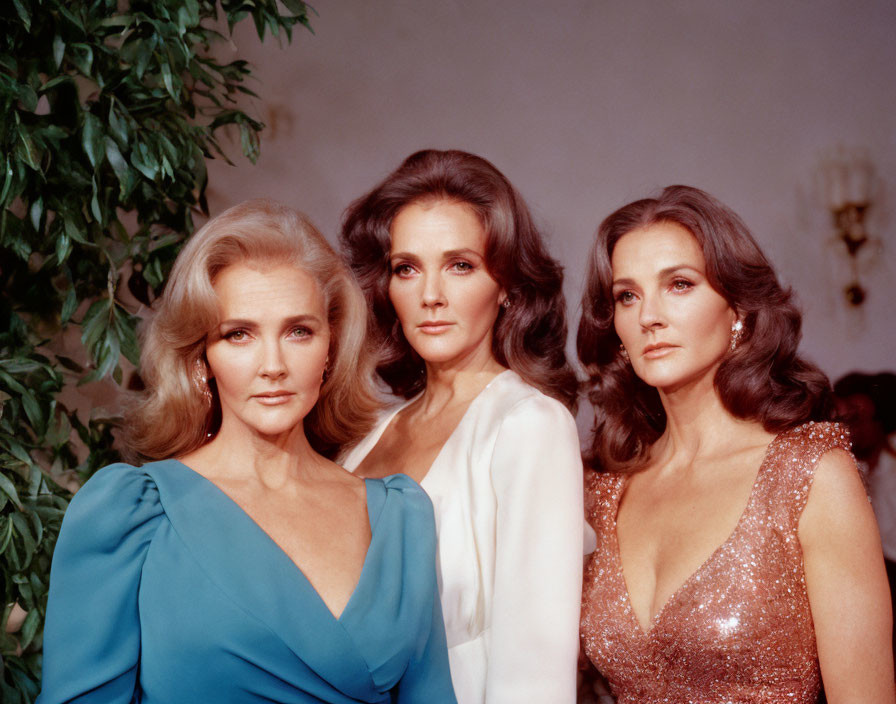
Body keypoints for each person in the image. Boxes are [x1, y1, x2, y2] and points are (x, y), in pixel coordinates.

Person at [38, 199, 457, 703]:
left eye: (298, 331)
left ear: (331, 347)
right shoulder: (130, 515)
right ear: (201, 359)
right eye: (239, 335)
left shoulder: (400, 518)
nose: (273, 365)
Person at [577, 185, 894, 703]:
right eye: (626, 296)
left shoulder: (808, 475)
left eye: (679, 284)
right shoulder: (606, 489)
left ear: (738, 310)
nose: (648, 316)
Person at [340, 149, 584, 704]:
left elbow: (536, 673)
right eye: (407, 268)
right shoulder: (363, 439)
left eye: (460, 265)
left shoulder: (530, 425)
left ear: (507, 286)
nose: (430, 295)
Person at [833, 370, 896, 651]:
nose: (850, 428)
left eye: (857, 418)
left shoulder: (890, 466)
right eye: (844, 420)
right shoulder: (839, 467)